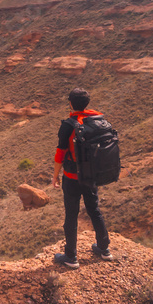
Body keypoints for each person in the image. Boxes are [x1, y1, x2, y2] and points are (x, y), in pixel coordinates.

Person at [52, 87, 113, 269]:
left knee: (71, 214)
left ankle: (71, 257)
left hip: (72, 177)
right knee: (94, 210)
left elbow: (60, 153)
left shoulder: (69, 125)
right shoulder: (97, 120)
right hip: (91, 175)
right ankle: (104, 249)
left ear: (70, 103)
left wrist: (55, 176)